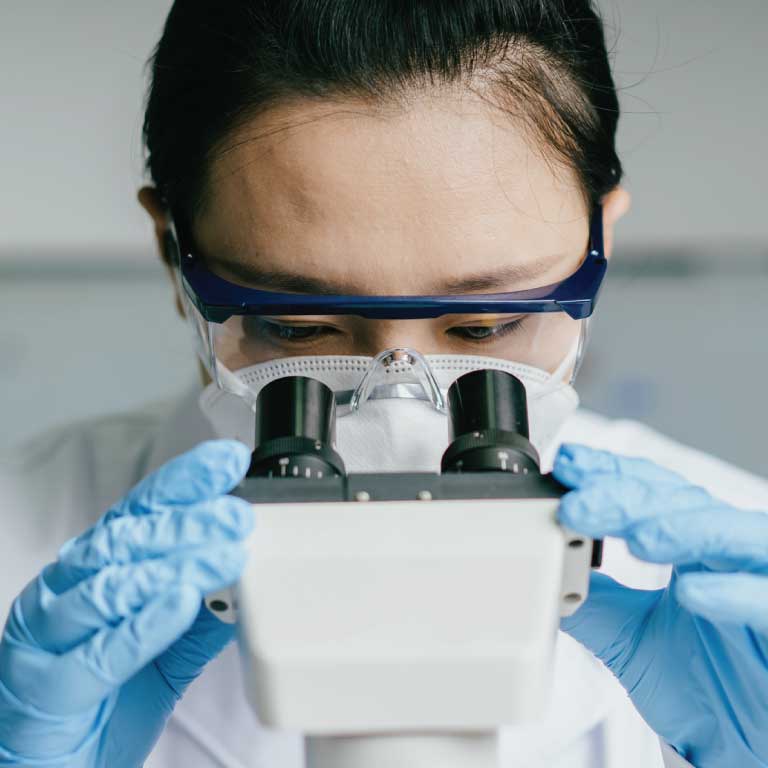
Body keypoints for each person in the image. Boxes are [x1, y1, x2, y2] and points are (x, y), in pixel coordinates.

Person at [1, 2, 766, 767]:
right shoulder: (18, 575)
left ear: (601, 241)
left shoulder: (744, 612)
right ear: (172, 253)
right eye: (299, 328)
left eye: (486, 328)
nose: (400, 422)